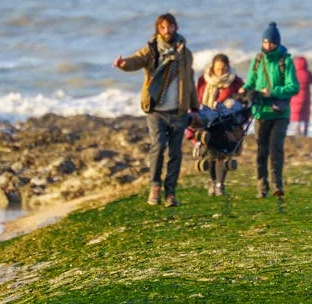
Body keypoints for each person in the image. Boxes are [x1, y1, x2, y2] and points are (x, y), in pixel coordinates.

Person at [114, 13, 198, 207]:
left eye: (170, 26)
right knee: (158, 146)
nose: (167, 30)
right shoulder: (152, 50)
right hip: (156, 110)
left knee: (175, 153)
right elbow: (137, 60)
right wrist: (123, 64)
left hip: (178, 111)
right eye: (163, 27)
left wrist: (195, 108)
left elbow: (190, 81)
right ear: (158, 30)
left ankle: (170, 193)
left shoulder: (186, 54)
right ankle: (155, 186)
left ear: (176, 27)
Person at [239, 22, 300, 198]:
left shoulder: (285, 61)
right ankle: (261, 185)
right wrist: (244, 90)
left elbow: (294, 87)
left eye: (271, 42)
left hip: (280, 112)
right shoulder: (258, 60)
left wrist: (273, 92)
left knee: (275, 148)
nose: (268, 45)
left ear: (277, 43)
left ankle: (277, 185)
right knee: (261, 150)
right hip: (261, 112)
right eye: (265, 42)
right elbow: (251, 82)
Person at [192, 53, 244, 197]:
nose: (221, 72)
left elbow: (242, 102)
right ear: (212, 67)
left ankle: (220, 184)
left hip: (226, 123)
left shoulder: (235, 81)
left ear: (228, 67)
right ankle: (212, 181)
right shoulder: (203, 80)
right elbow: (196, 99)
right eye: (218, 69)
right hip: (207, 121)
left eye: (223, 69)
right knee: (210, 154)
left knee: (223, 154)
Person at [290, 56, 312, 136]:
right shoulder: (308, 73)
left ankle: (297, 131)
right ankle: (305, 131)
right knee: (305, 114)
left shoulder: (294, 74)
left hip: (295, 97)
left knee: (296, 115)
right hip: (306, 97)